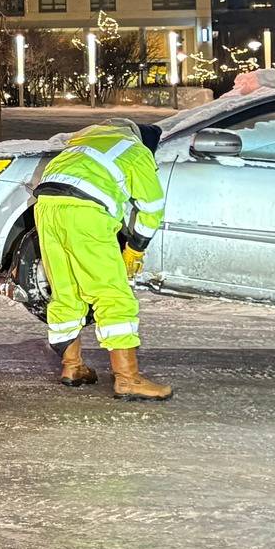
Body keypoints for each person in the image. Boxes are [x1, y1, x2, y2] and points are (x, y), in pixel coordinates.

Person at [32, 118, 172, 401]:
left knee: (66, 290)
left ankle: (72, 367)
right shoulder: (136, 151)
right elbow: (152, 208)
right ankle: (128, 379)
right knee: (112, 294)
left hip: (46, 208)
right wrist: (135, 249)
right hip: (86, 212)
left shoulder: (83, 143)